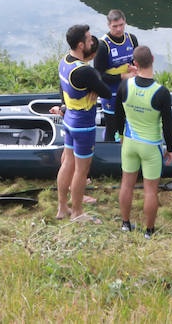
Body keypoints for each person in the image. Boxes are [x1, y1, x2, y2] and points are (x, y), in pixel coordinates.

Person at [55, 23, 115, 221]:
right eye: (89, 39)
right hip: (84, 125)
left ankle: (63, 208)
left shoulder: (64, 62)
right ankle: (78, 213)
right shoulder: (85, 72)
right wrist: (94, 87)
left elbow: (63, 90)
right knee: (81, 170)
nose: (92, 40)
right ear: (81, 45)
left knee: (67, 163)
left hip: (69, 119)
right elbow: (107, 92)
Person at [113, 45, 172, 237]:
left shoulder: (124, 86)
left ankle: (125, 223)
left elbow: (117, 115)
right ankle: (149, 231)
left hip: (129, 142)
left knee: (126, 184)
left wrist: (119, 136)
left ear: (135, 64)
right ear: (153, 59)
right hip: (151, 146)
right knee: (150, 191)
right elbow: (168, 125)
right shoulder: (161, 92)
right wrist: (170, 149)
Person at [92, 8, 138, 141]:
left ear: (125, 23)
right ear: (108, 25)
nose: (119, 29)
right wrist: (121, 76)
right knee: (111, 128)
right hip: (110, 93)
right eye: (115, 26)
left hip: (128, 90)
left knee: (127, 123)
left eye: (121, 25)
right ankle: (109, 154)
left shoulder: (132, 39)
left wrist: (136, 69)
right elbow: (98, 76)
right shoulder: (102, 45)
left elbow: (136, 62)